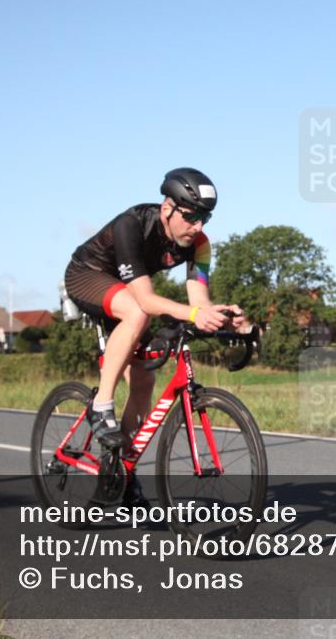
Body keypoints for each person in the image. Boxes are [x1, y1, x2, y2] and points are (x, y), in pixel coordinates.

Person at [64, 167, 246, 507]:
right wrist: (192, 314)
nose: (199, 227)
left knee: (144, 380)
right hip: (87, 276)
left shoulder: (199, 245)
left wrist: (223, 318)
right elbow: (146, 301)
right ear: (168, 209)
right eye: (192, 217)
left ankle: (121, 471)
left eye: (206, 218)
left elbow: (198, 303)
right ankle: (101, 406)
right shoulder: (132, 225)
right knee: (138, 311)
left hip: (125, 291)